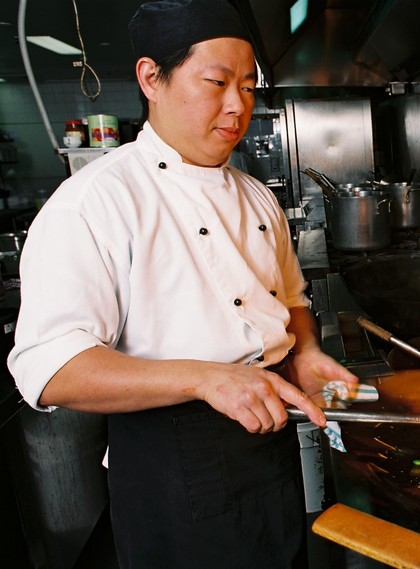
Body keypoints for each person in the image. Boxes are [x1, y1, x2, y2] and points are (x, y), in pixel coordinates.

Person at [7, 0, 358, 567]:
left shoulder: (255, 194)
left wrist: (307, 352)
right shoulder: (95, 202)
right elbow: (48, 369)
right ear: (152, 78)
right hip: (171, 462)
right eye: (216, 82)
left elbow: (289, 299)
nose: (236, 105)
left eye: (247, 86)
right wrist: (206, 380)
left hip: (268, 446)